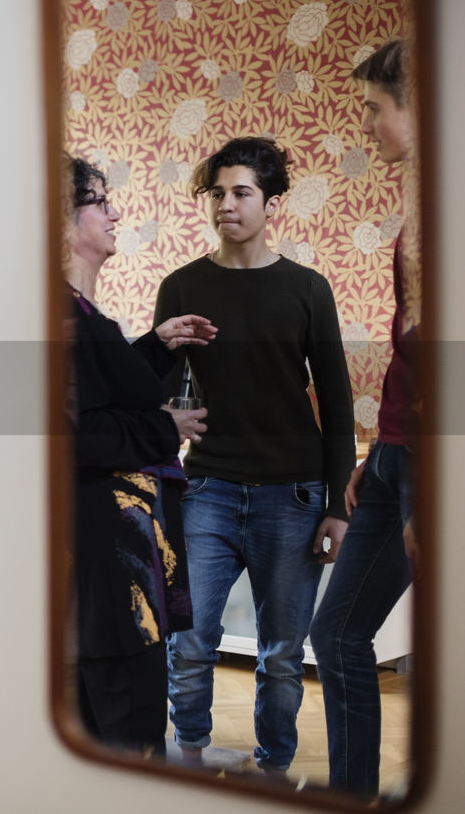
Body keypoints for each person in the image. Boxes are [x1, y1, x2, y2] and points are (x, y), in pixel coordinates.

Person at [155, 136, 355, 775]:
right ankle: (187, 758)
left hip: (293, 495)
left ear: (271, 202)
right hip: (207, 490)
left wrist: (335, 507)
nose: (227, 205)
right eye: (217, 192)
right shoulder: (180, 285)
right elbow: (157, 393)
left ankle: (272, 771)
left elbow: (337, 401)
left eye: (242, 192)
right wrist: (167, 415)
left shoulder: (307, 289)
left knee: (281, 656)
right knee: (189, 641)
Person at [64, 155, 211, 756]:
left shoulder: (80, 313)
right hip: (108, 569)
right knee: (127, 736)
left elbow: (96, 393)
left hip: (112, 560)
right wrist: (165, 425)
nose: (114, 211)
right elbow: (77, 434)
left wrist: (153, 347)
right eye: (100, 200)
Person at [309, 38, 418, 799]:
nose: (369, 126)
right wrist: (377, 449)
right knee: (336, 632)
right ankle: (353, 792)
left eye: (376, 110)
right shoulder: (424, 211)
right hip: (394, 456)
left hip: (429, 461)